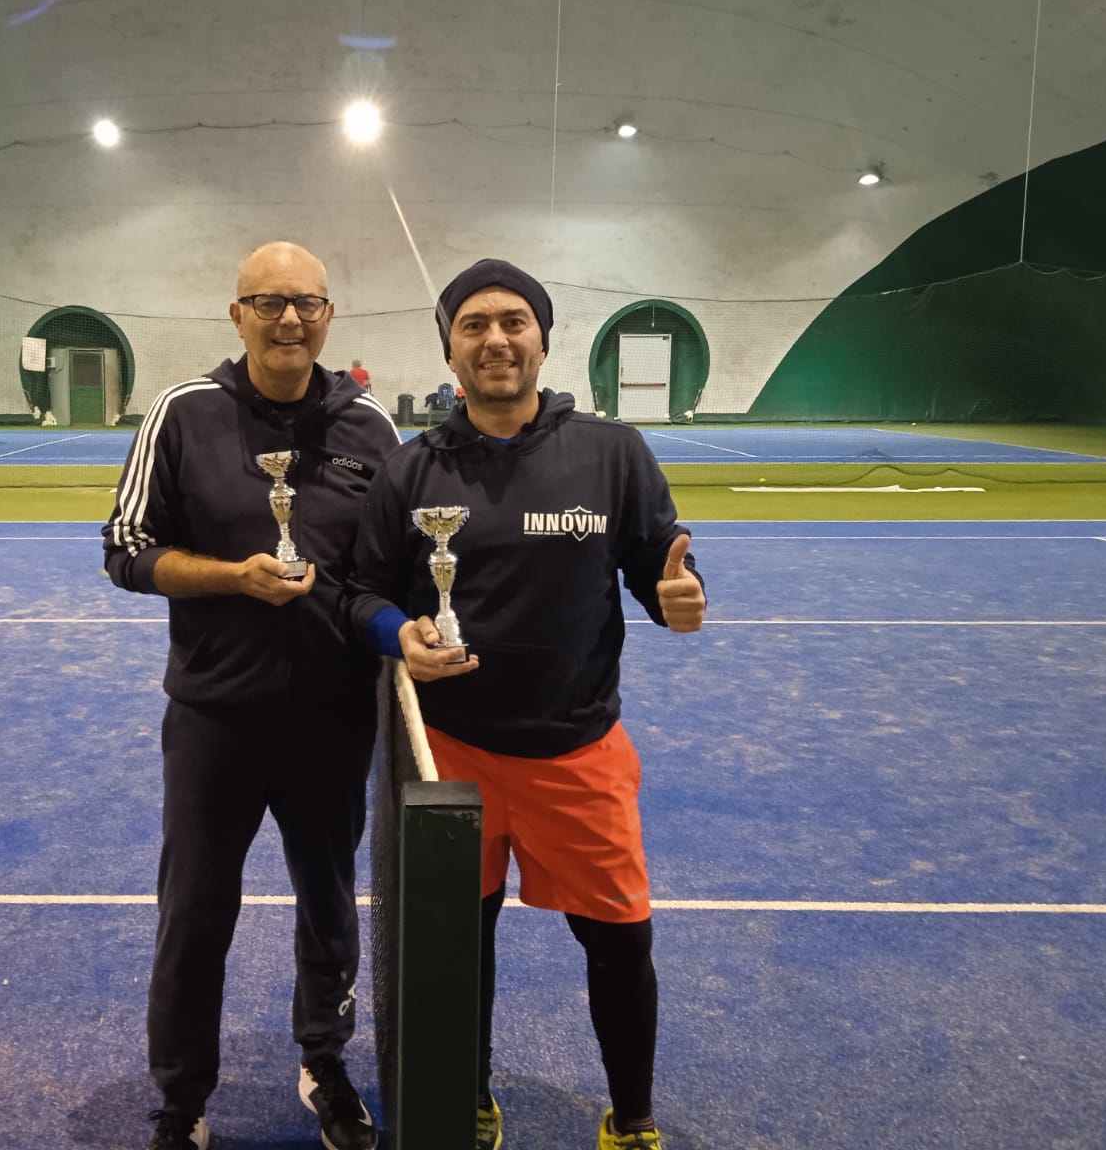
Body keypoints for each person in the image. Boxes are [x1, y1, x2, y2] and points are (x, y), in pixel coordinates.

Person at [347, 259, 706, 1150]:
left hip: (577, 752)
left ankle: (633, 1119)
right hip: (453, 755)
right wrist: (398, 633)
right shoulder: (410, 470)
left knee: (620, 946)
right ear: (450, 347)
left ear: (544, 338)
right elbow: (357, 592)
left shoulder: (612, 452)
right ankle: (467, 1098)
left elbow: (661, 561)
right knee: (459, 949)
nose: (496, 339)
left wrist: (681, 594)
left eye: (514, 321)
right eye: (474, 325)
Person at [103, 241, 401, 1150]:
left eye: (306, 302)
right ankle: (183, 1099)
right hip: (214, 718)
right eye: (268, 302)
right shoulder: (184, 412)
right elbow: (124, 547)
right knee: (195, 910)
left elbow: (389, 573)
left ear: (328, 316)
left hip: (333, 718)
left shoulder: (371, 429)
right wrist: (231, 577)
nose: (288, 319)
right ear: (237, 315)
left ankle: (326, 1062)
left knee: (329, 900)